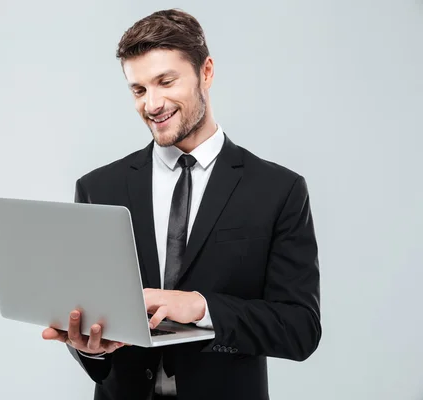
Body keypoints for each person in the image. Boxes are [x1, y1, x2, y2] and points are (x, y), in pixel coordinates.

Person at [42, 8, 321, 400]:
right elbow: (91, 315)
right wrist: (89, 348)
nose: (152, 104)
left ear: (206, 72)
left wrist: (201, 308)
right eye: (138, 90)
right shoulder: (97, 187)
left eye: (165, 81)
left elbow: (300, 329)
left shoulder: (279, 189)